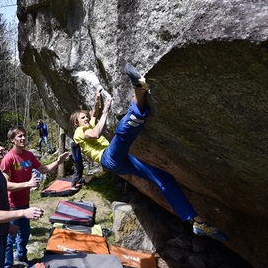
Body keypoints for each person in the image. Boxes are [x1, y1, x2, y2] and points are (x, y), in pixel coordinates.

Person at [70, 63, 228, 242]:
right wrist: (106, 111)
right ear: (76, 123)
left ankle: (198, 222)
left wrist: (97, 99)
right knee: (121, 135)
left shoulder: (86, 125)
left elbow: (93, 114)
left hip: (121, 163)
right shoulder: (78, 132)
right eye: (82, 118)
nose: (87, 119)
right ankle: (140, 91)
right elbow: (97, 132)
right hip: (109, 158)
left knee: (163, 178)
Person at [1, 125, 69, 268]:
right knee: (10, 237)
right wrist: (28, 184)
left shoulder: (29, 155)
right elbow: (5, 184)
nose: (23, 138)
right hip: (11, 205)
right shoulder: (8, 158)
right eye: (19, 136)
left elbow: (43, 169)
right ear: (12, 140)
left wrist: (58, 162)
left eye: (24, 135)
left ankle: (22, 257)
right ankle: (7, 267)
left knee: (24, 233)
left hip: (25, 203)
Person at [0, 137, 44, 268]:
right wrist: (24, 213)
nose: (1, 148)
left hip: (1, 232)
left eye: (0, 145)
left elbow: (0, 206)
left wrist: (8, 227)